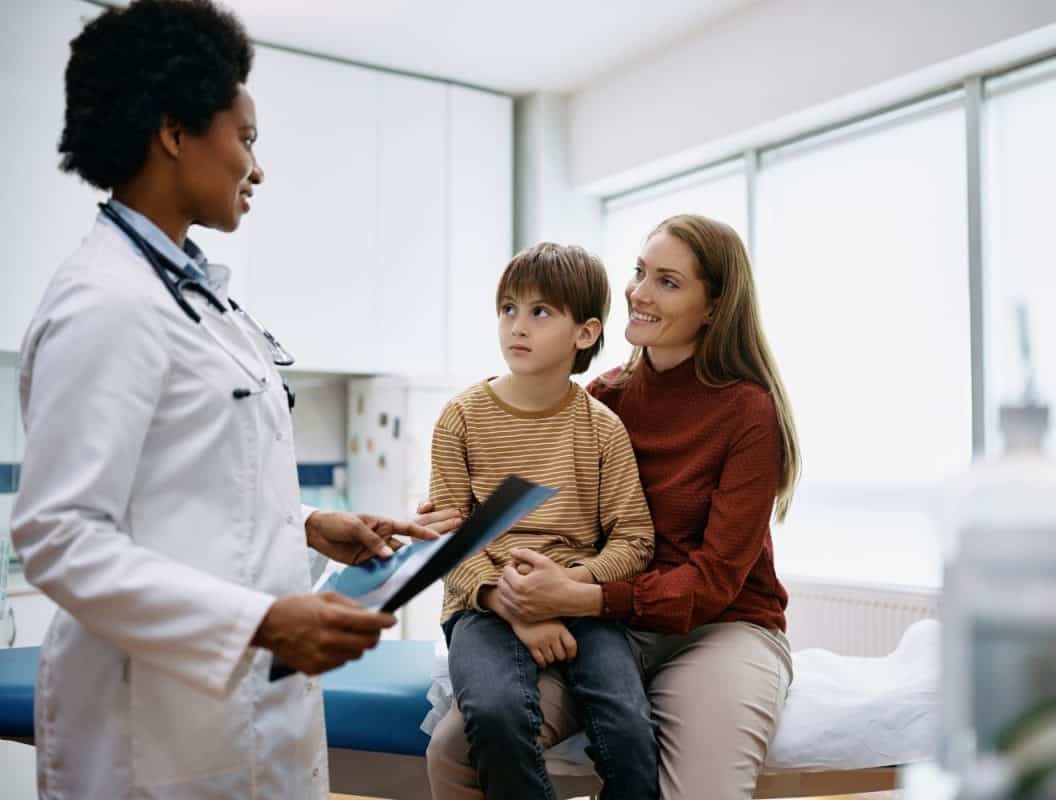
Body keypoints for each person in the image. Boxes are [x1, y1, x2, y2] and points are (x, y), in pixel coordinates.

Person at [10, 2, 459, 797]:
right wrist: (258, 622)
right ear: (174, 131)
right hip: (152, 735)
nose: (258, 167)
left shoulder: (194, 298)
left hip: (240, 712)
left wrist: (313, 527)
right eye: (246, 138)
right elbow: (59, 536)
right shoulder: (107, 304)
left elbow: (193, 489)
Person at [427, 214, 802, 800]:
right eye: (639, 272)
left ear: (714, 307)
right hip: (608, 621)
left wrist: (577, 595)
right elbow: (502, 502)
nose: (639, 293)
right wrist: (448, 522)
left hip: (719, 627)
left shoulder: (748, 413)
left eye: (668, 282)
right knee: (458, 749)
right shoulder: (601, 399)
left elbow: (713, 583)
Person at [428, 242, 659, 800]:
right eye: (508, 309)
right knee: (495, 711)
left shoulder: (602, 428)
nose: (517, 326)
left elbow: (634, 539)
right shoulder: (460, 418)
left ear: (584, 333)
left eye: (540, 312)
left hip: (577, 600)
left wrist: (565, 588)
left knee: (629, 728)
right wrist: (516, 602)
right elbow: (449, 539)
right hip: (481, 606)